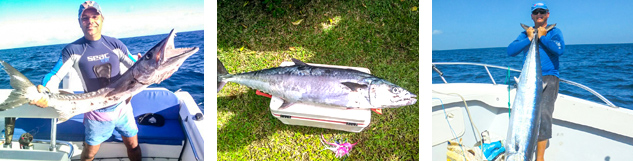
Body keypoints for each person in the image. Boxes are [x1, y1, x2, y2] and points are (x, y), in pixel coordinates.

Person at [30, 1, 142, 161]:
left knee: (133, 146)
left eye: (94, 16)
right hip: (95, 112)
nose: (90, 21)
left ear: (102, 18)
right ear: (79, 22)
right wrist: (44, 91)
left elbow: (136, 65)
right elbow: (54, 75)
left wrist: (144, 61)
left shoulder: (115, 44)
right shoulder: (73, 49)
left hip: (123, 108)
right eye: (85, 18)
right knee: (89, 154)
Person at [507, 2, 565, 161]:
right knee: (523, 116)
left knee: (544, 115)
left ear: (548, 14)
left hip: (548, 78)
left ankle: (539, 158)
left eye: (542, 11)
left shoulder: (554, 32)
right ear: (532, 16)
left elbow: (559, 50)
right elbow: (510, 51)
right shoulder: (525, 34)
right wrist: (529, 39)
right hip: (528, 79)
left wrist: (543, 37)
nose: (539, 14)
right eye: (535, 12)